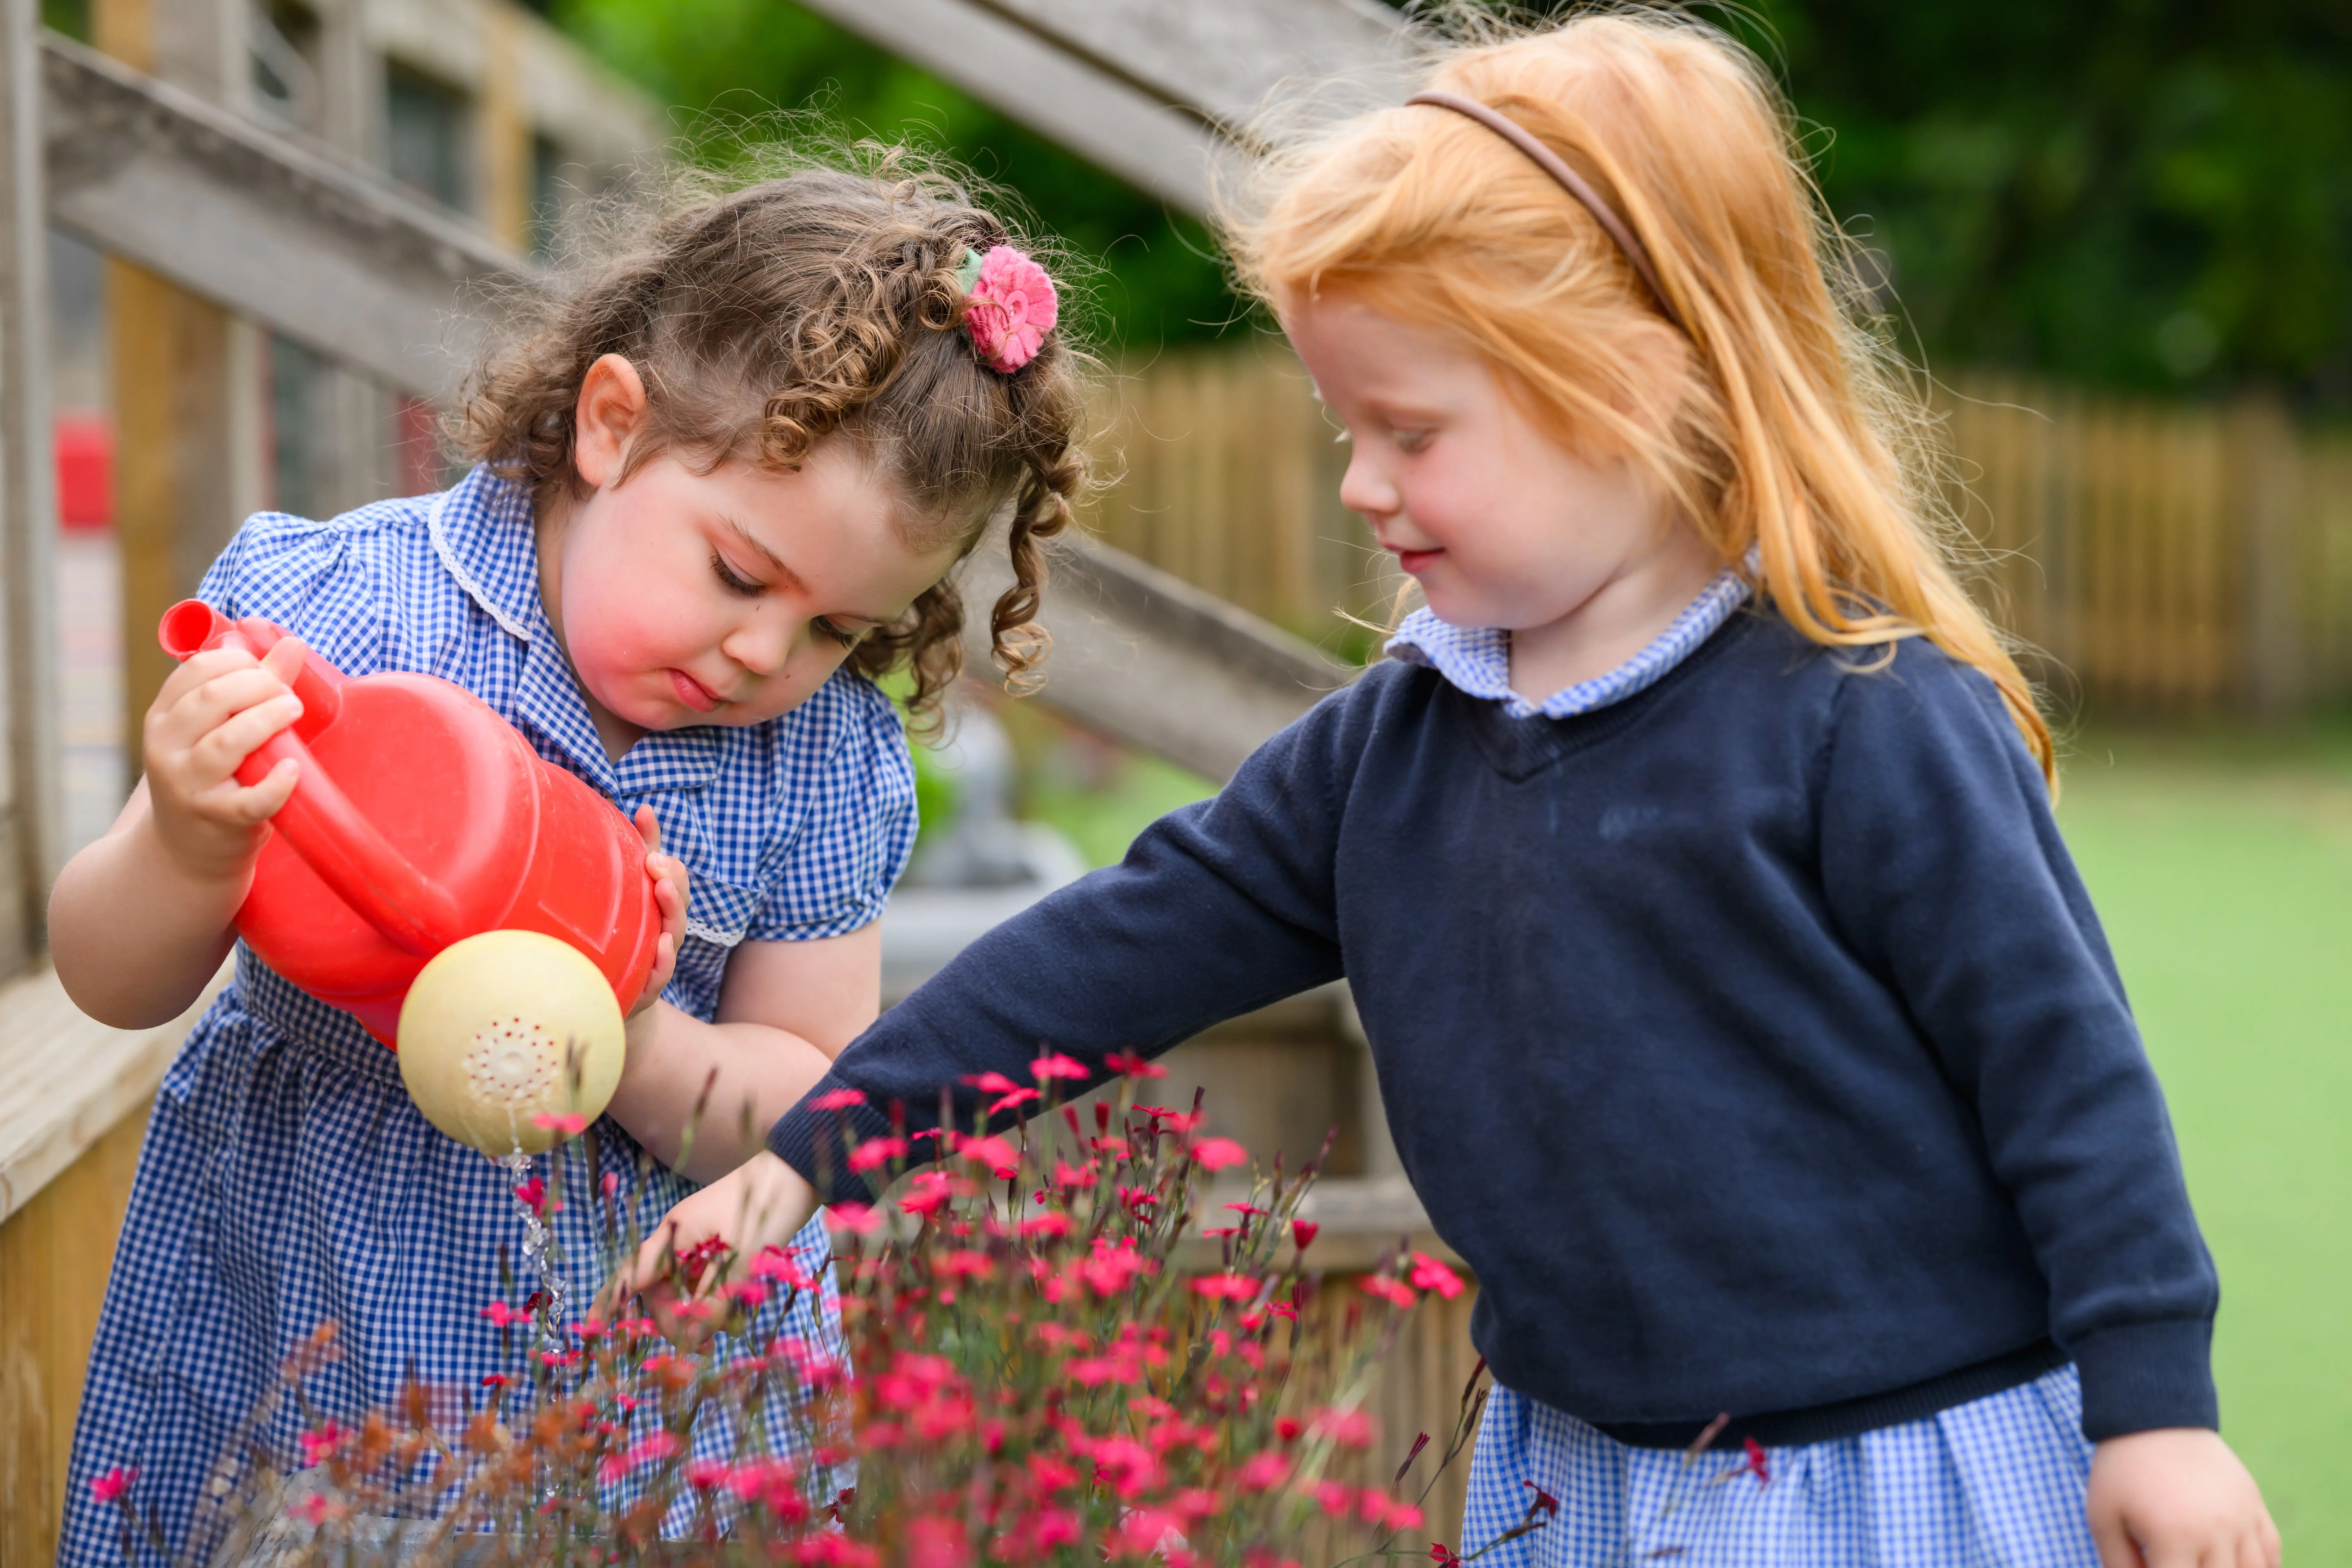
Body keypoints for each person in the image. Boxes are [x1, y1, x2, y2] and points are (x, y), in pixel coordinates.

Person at [631, 17, 2281, 1568]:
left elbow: (2067, 1080)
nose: (1361, 482)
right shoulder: (1391, 747)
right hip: (1575, 1472)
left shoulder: (1864, 719)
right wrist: (832, 1145)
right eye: (1347, 424)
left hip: (1882, 1477)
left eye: (1410, 430)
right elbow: (1120, 946)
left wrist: (2155, 1412)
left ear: (1637, 388)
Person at [47, 158, 1084, 1564]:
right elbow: (109, 979)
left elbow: (806, 1092)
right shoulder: (338, 611)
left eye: (840, 627)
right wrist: (185, 834)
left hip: (646, 1382)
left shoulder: (818, 761)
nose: (764, 653)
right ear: (611, 427)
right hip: (312, 1308)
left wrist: (636, 1036)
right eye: (738, 573)